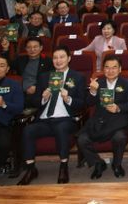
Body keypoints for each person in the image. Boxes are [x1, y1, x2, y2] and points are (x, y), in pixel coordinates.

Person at [18, 46, 86, 185]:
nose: (58, 60)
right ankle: (31, 169)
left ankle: (63, 167)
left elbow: (82, 103)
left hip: (66, 119)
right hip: (45, 119)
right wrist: (43, 98)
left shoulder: (77, 77)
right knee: (28, 130)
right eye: (55, 58)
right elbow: (33, 101)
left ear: (69, 59)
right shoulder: (44, 77)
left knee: (61, 128)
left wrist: (68, 98)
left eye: (62, 57)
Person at [78, 55, 128, 179]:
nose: (110, 71)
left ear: (120, 69)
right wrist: (93, 91)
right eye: (107, 67)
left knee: (120, 137)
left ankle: (117, 164)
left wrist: (118, 107)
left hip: (117, 122)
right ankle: (98, 163)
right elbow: (88, 103)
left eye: (114, 67)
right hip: (99, 121)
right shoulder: (98, 83)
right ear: (103, 69)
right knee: (82, 139)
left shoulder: (127, 83)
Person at [0, 54, 24, 186]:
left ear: (7, 69)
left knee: (3, 144)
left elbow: (19, 108)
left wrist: (4, 104)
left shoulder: (14, 85)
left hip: (0, 124)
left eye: (1, 66)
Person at [0, 36, 53, 108]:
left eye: (35, 47)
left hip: (38, 93)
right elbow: (6, 64)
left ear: (41, 48)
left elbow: (51, 79)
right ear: (25, 49)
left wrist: (37, 88)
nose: (32, 49)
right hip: (20, 91)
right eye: (29, 47)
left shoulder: (48, 61)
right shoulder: (21, 59)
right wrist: (6, 49)